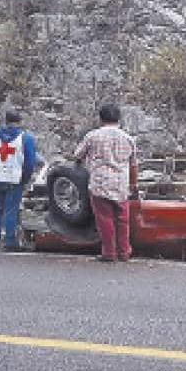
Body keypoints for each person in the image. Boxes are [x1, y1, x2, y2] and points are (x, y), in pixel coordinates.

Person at [74, 103, 138, 262]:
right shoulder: (128, 138)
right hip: (121, 184)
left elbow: (77, 155)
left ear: (101, 118)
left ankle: (109, 253)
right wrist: (133, 185)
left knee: (105, 219)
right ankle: (124, 252)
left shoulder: (93, 136)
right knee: (122, 220)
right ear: (119, 118)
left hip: (100, 183)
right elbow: (134, 165)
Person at [0, 109, 37, 252]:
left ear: (6, 121)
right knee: (11, 211)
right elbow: (29, 162)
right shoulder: (25, 138)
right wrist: (24, 179)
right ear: (19, 122)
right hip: (14, 179)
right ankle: (10, 242)